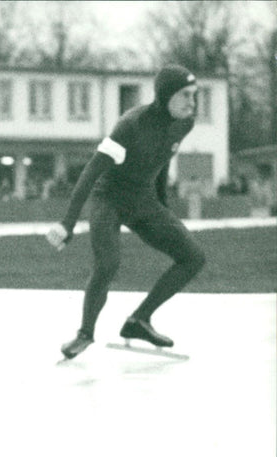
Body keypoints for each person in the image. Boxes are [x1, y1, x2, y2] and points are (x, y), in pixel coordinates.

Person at [47, 64, 206, 359]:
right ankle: (85, 333)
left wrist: (163, 206)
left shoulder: (185, 122)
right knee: (107, 265)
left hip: (143, 200)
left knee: (194, 257)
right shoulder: (132, 124)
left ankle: (138, 320)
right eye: (185, 95)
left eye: (194, 95)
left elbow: (162, 159)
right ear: (166, 95)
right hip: (109, 199)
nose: (191, 102)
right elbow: (91, 171)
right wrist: (67, 223)